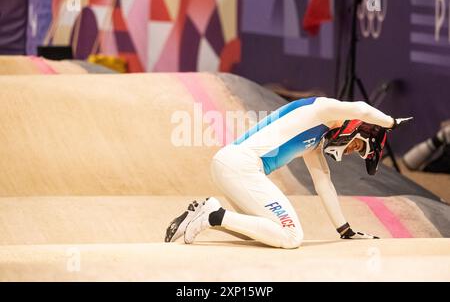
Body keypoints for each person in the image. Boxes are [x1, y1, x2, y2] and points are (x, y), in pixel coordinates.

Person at [165, 97, 412, 249]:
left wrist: (345, 230)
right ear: (358, 127)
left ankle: (200, 213)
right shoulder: (323, 109)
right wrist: (390, 122)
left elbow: (323, 182)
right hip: (241, 166)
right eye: (357, 145)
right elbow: (360, 107)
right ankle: (212, 215)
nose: (350, 151)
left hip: (231, 165)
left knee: (260, 232)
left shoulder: (316, 139)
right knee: (291, 236)